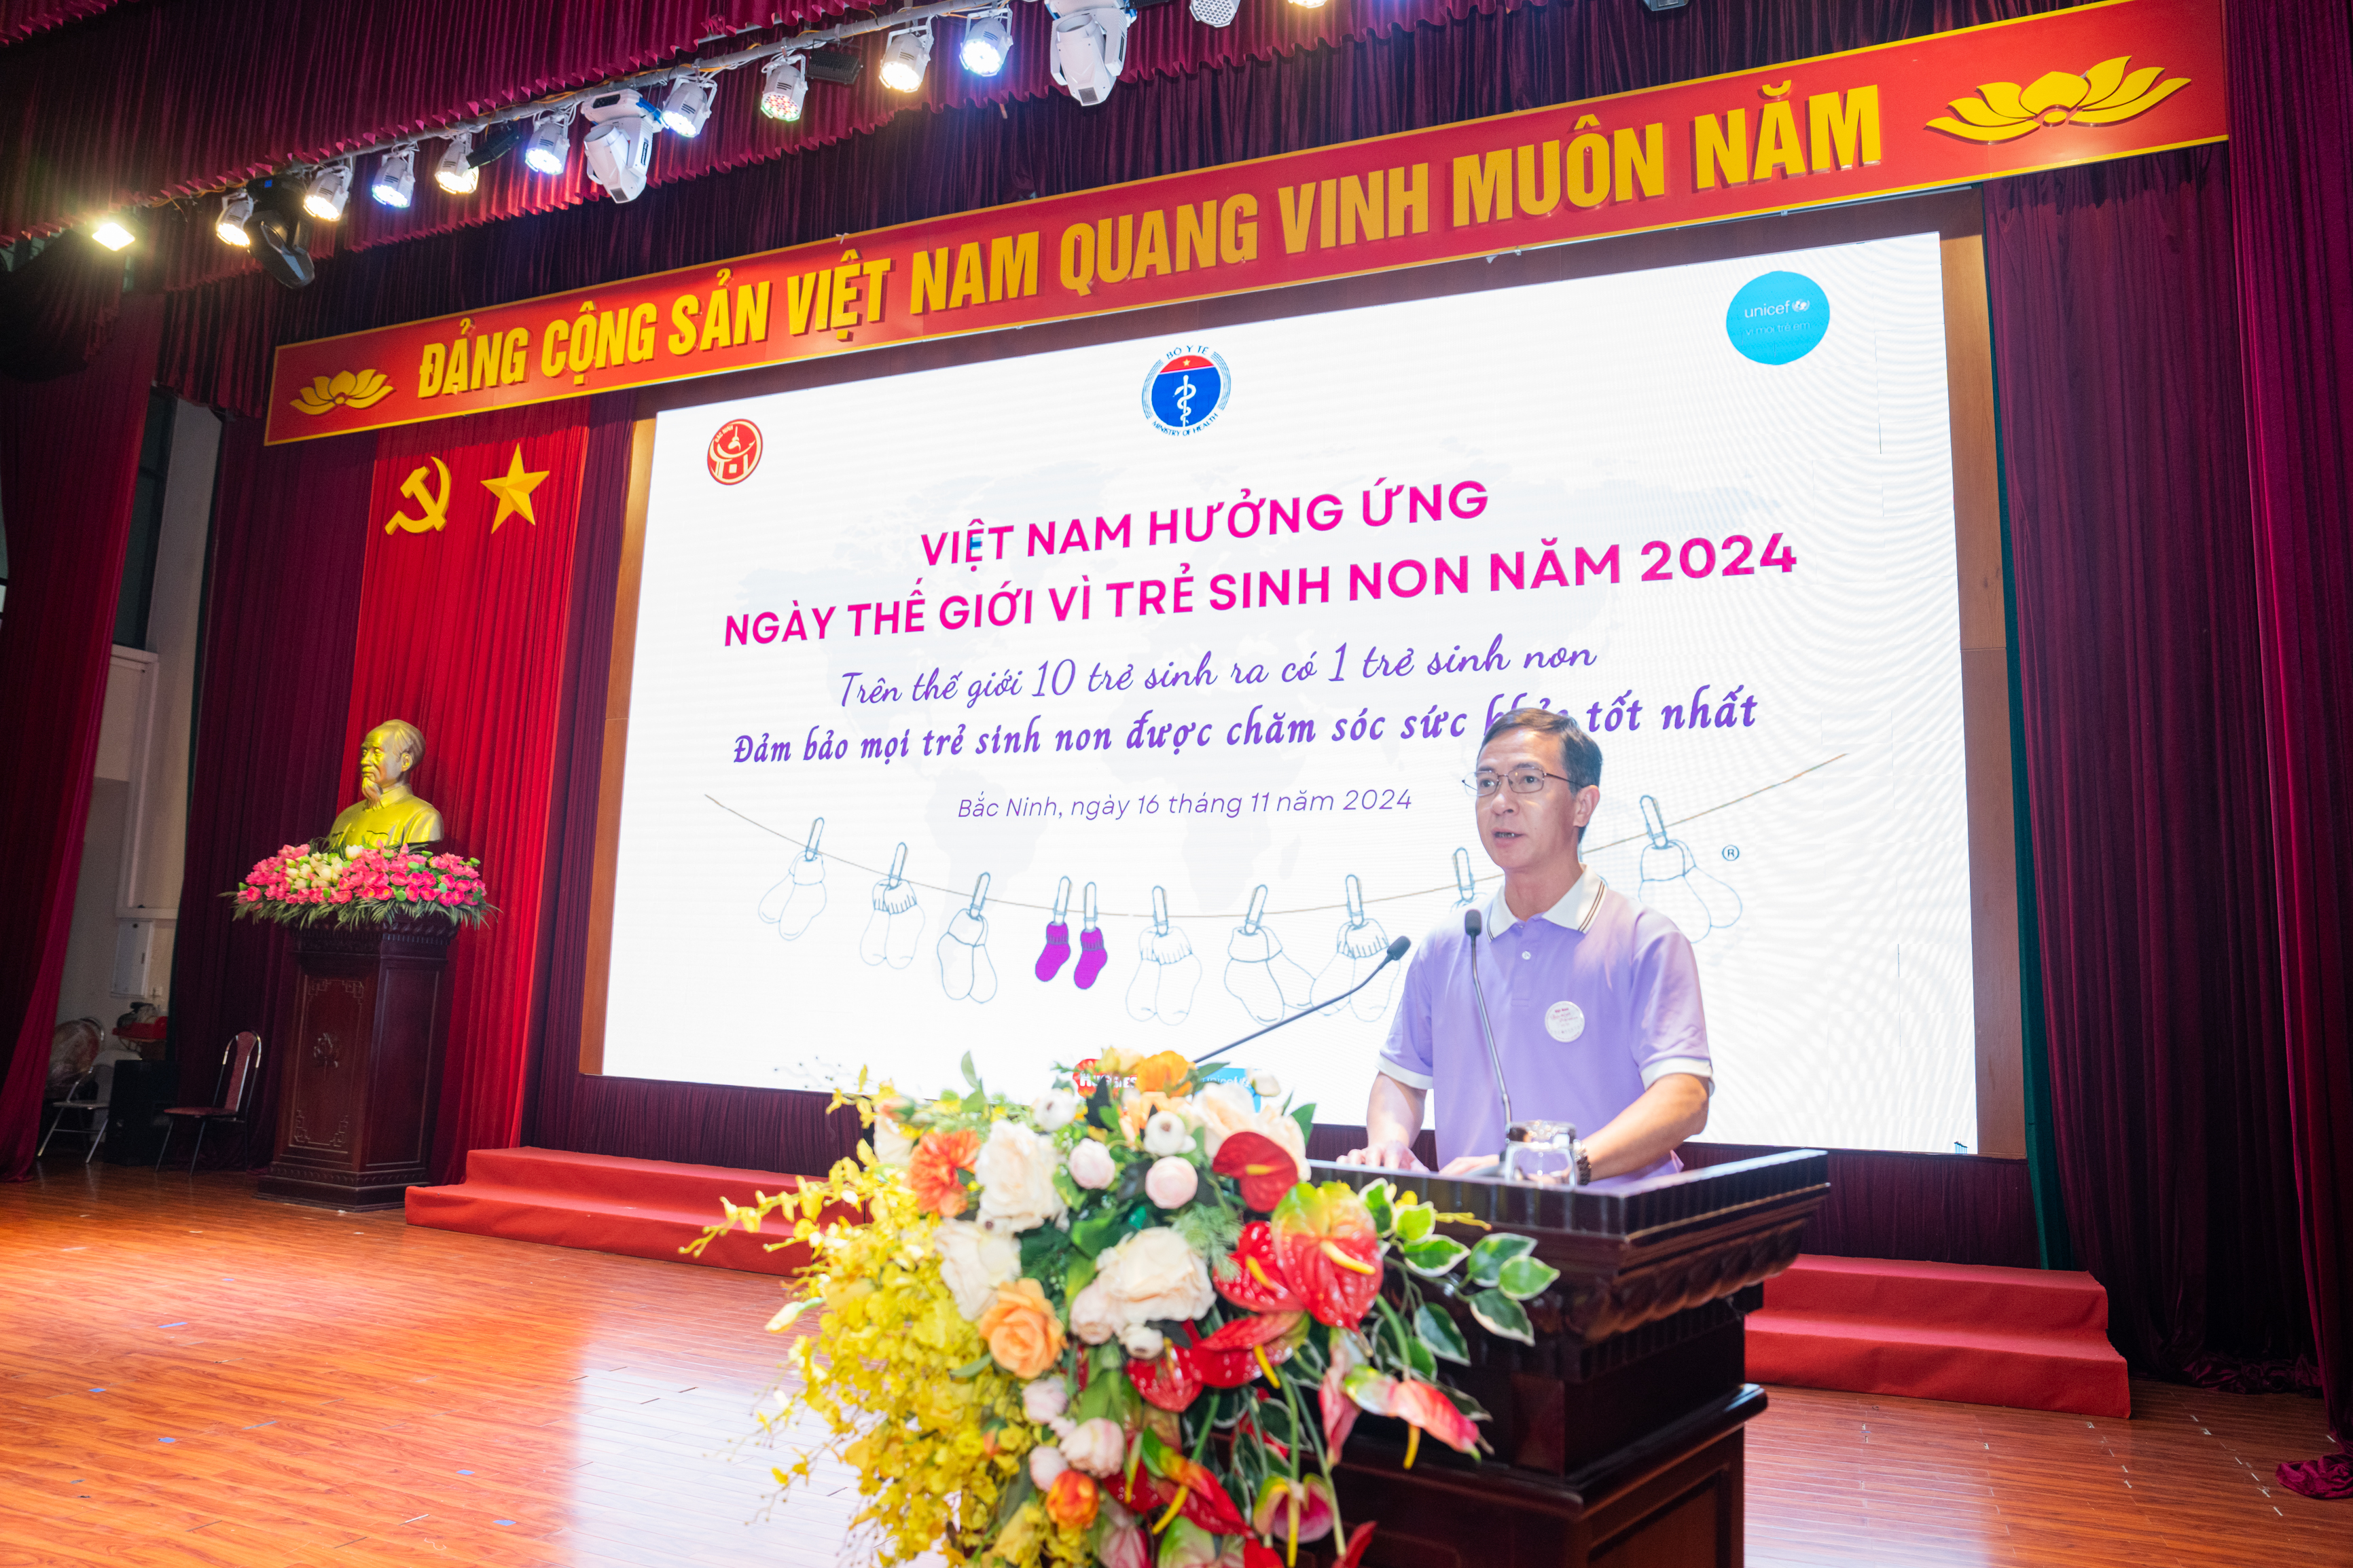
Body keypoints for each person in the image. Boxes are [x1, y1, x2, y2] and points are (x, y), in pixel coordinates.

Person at [1344, 707, 1711, 1182]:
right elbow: (1401, 1077)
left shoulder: (1645, 939)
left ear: (1583, 804)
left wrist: (1561, 1164)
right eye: (1487, 782)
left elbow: (1684, 1097)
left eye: (1527, 780)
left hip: (1614, 1235)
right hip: (1480, 1237)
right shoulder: (1448, 946)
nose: (1501, 801)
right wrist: (1389, 1143)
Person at [325, 718, 446, 852]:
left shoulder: (423, 817)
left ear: (405, 762)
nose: (365, 761)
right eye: (365, 752)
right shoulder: (347, 815)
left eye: (377, 752)